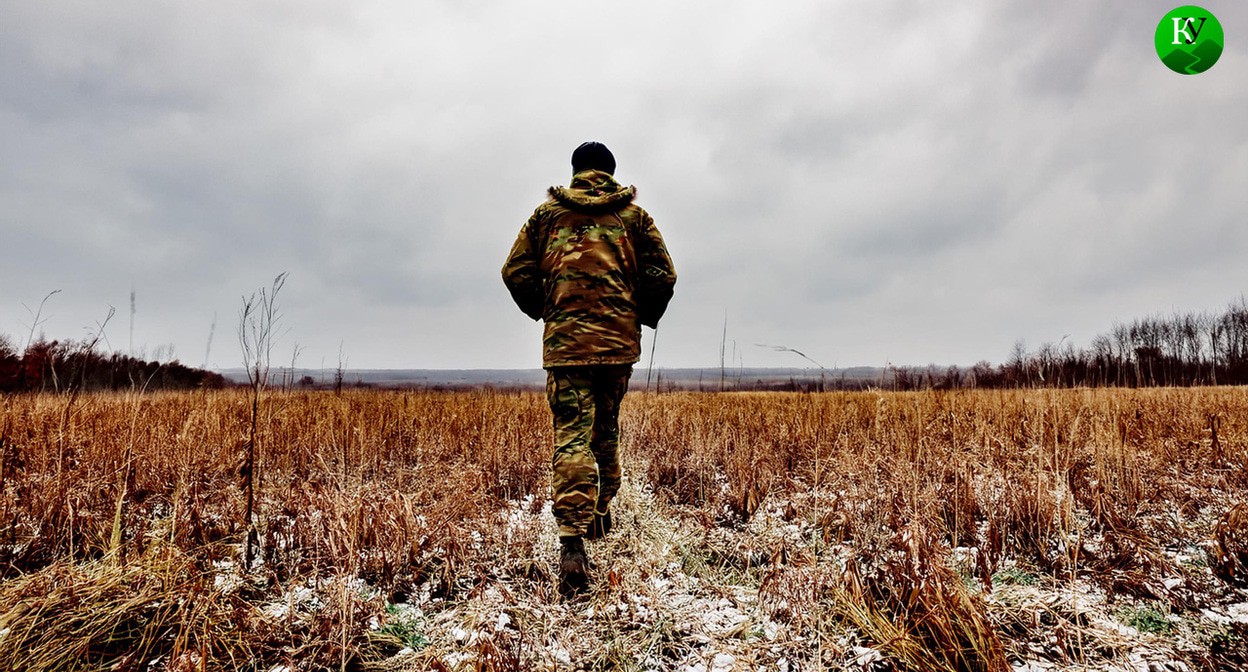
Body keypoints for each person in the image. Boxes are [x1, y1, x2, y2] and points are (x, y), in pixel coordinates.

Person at [501, 141, 676, 595]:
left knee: (572, 437)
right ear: (611, 174)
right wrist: (634, 314)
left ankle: (573, 543)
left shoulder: (546, 217)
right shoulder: (633, 218)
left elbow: (514, 271)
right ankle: (600, 512)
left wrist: (549, 309)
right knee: (606, 430)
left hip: (566, 346)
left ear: (576, 172)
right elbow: (664, 275)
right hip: (617, 347)